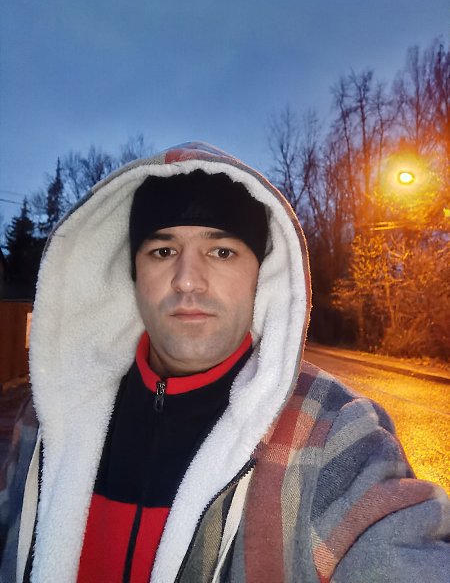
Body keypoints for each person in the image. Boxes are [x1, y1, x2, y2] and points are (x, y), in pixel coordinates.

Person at [1, 141, 449, 583]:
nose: (188, 280)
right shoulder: (49, 415)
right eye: (163, 251)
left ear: (260, 277)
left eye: (221, 252)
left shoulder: (335, 433)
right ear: (134, 275)